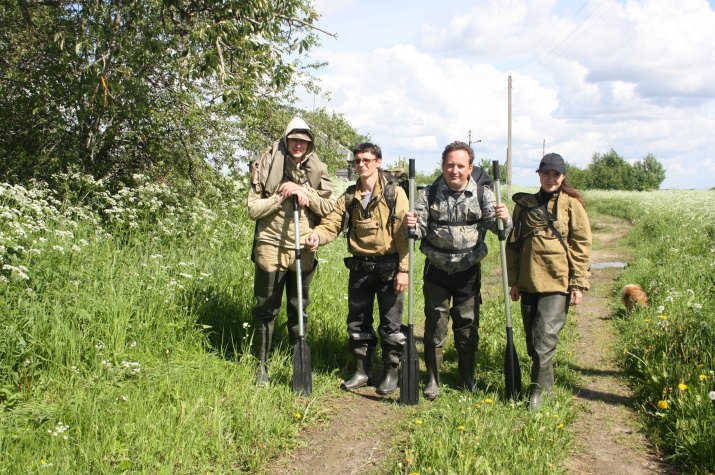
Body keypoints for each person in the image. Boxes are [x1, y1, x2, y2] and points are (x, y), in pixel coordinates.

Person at [403, 141, 512, 400]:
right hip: (436, 272)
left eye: (460, 166)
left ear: (469, 168)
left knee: (467, 327)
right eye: (450, 165)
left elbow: (500, 231)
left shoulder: (484, 194)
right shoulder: (427, 194)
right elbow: (415, 232)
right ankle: (432, 379)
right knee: (435, 326)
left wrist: (504, 219)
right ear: (443, 166)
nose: (454, 170)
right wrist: (410, 225)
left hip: (468, 273)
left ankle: (467, 378)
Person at [307, 143, 408, 395]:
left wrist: (404, 270)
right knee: (358, 322)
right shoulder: (349, 195)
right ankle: (362, 372)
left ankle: (390, 375)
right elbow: (331, 223)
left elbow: (403, 235)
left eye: (366, 160)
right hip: (359, 268)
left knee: (391, 325)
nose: (361, 164)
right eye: (357, 161)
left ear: (378, 162)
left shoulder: (394, 194)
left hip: (389, 267)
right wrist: (317, 236)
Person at [248, 117, 336, 386]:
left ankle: (296, 358)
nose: (299, 145)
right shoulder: (265, 165)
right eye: (295, 139)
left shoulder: (318, 169)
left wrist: (304, 190)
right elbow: (253, 210)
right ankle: (260, 365)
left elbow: (329, 209)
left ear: (310, 145)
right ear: (287, 140)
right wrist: (280, 197)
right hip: (271, 245)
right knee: (266, 307)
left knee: (299, 307)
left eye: (305, 141)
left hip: (303, 248)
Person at [506, 152, 592, 411]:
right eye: (546, 173)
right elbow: (514, 244)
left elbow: (581, 245)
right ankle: (548, 391)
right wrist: (514, 280)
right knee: (534, 344)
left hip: (558, 282)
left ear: (563, 176)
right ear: (539, 174)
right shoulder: (524, 204)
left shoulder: (571, 205)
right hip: (529, 280)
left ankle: (536, 397)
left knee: (545, 339)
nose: (551, 178)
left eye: (556, 174)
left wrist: (578, 283)